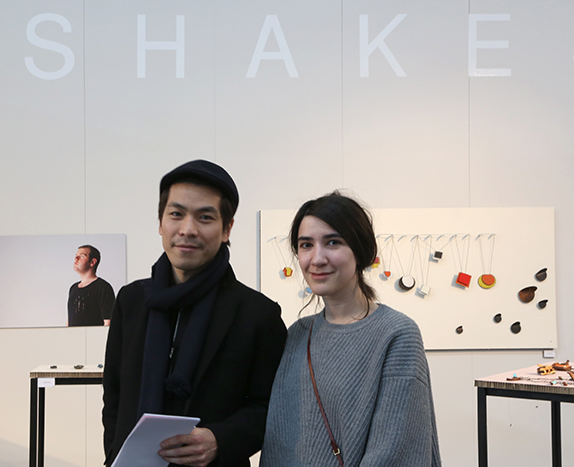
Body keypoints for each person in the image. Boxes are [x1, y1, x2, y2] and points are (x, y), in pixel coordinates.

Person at [102, 160, 287, 467]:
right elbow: (114, 396)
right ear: (160, 223)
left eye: (205, 217)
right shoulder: (131, 301)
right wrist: (114, 455)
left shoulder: (258, 314)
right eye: (176, 214)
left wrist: (220, 439)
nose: (187, 230)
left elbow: (270, 406)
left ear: (227, 229)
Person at [260, 192, 441, 467]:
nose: (317, 258)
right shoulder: (298, 333)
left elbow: (395, 451)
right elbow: (279, 441)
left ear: (361, 251)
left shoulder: (396, 334)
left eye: (333, 242)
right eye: (306, 245)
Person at [68, 245, 115, 326]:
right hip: (74, 334)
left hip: (94, 334)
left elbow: (108, 322)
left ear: (92, 262)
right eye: (76, 256)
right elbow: (69, 321)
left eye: (82, 256)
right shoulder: (73, 288)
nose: (76, 259)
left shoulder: (103, 287)